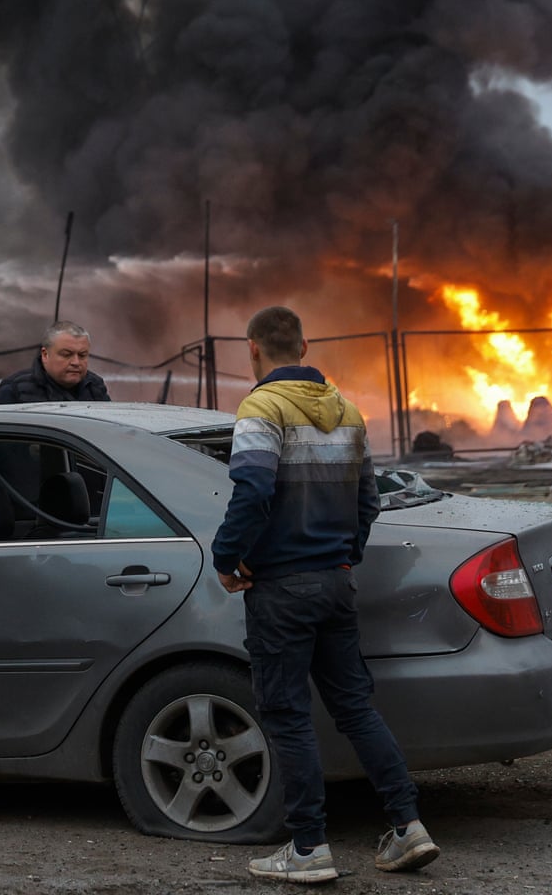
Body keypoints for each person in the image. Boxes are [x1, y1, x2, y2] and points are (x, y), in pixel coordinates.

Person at [211, 306, 439, 884]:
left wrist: (225, 555)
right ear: (305, 346)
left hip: (280, 588)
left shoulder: (260, 409)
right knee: (355, 707)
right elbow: (368, 501)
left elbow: (254, 486)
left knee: (287, 715)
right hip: (336, 582)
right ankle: (408, 827)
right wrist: (345, 556)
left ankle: (309, 848)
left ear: (253, 351)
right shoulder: (349, 412)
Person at [0, 320, 111, 403]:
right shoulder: (14, 390)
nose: (76, 362)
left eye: (82, 355)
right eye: (66, 355)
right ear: (45, 354)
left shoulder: (95, 386)